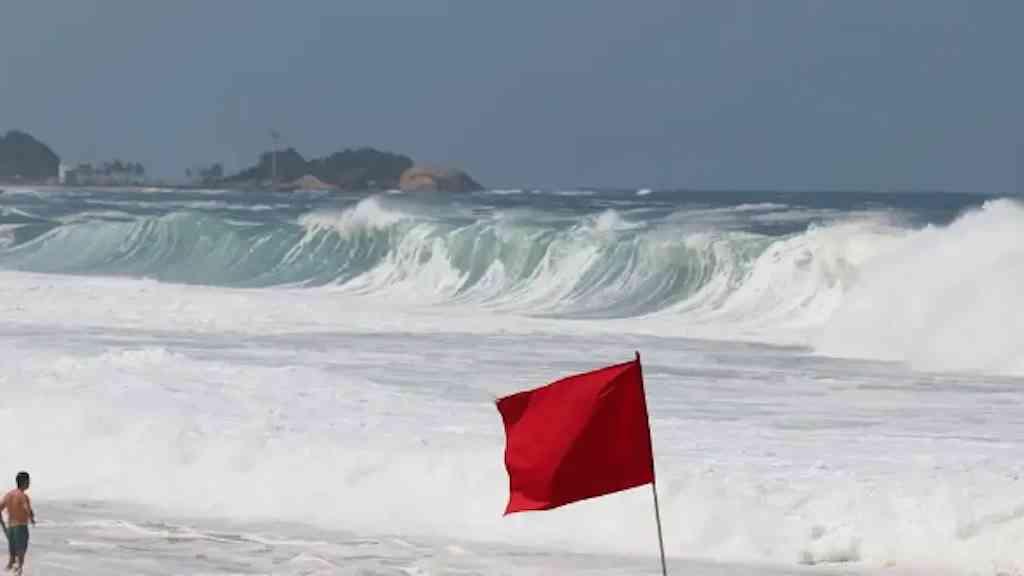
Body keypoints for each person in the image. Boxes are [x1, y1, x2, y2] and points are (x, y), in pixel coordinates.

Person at [0, 472, 34, 575]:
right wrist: (31, 518)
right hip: (21, 527)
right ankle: (18, 573)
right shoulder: (23, 496)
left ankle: (5, 573)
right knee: (21, 555)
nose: (29, 483)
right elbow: (27, 509)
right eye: (28, 481)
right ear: (24, 482)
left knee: (12, 557)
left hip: (10, 528)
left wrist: (3, 525)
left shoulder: (8, 495)